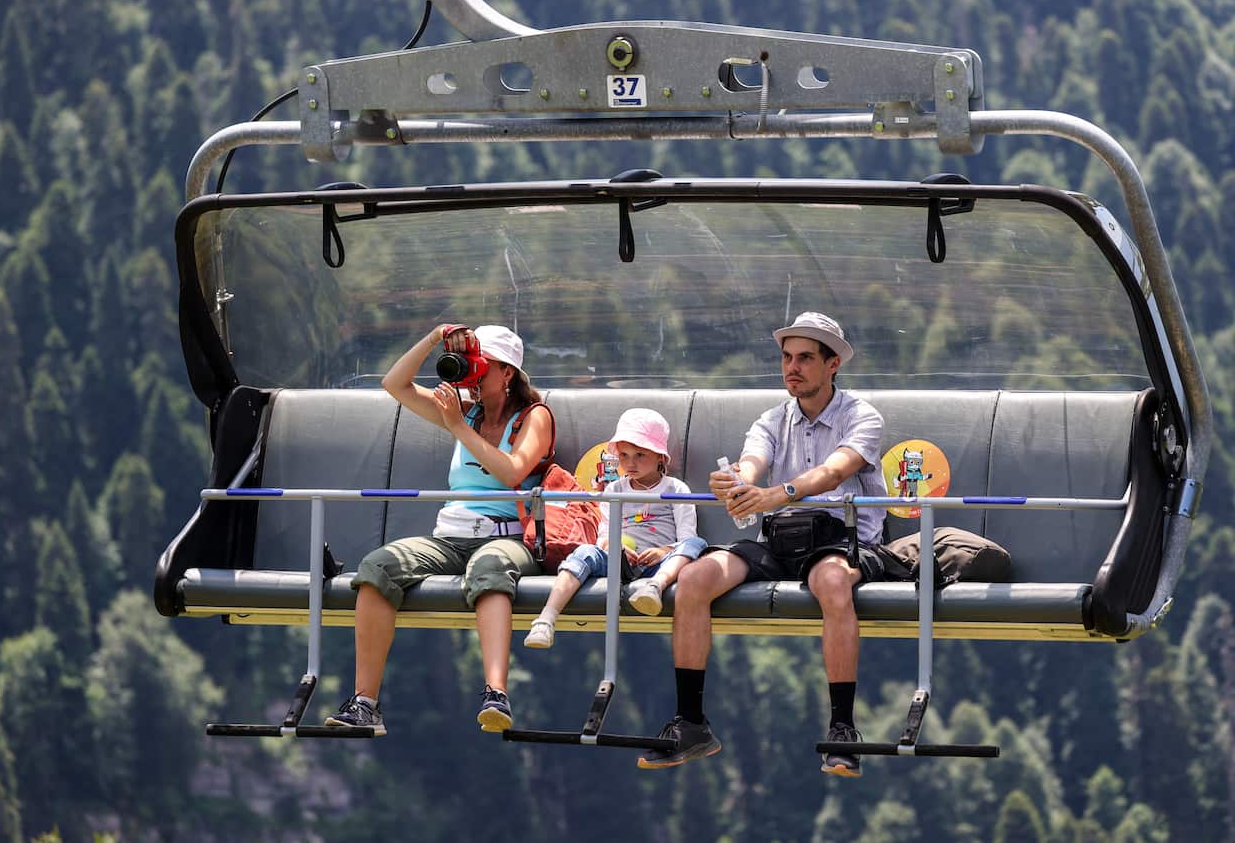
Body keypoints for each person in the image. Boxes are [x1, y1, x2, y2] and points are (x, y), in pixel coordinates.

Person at [637, 311, 890, 777]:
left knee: (832, 583)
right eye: (787, 357)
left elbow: (834, 471)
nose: (792, 367)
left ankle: (842, 728)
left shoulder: (862, 416)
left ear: (833, 365)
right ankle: (691, 721)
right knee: (693, 580)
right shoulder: (772, 419)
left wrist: (776, 493)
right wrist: (735, 482)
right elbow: (754, 463)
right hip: (781, 537)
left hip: (840, 536)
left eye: (806, 358)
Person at [326, 323, 552, 735]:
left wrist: (458, 427)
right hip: (451, 535)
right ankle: (365, 703)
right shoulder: (463, 411)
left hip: (507, 536)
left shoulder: (533, 417)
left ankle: (496, 693)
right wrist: (435, 339)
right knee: (377, 568)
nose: (473, 375)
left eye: (482, 366)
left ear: (508, 374)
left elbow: (513, 472)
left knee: (489, 570)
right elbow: (395, 384)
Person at [523, 409, 706, 649]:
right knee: (584, 552)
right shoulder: (615, 490)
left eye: (640, 455)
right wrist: (614, 545)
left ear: (661, 456)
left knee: (696, 545)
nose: (630, 463)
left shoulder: (676, 489)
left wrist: (663, 551)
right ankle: (546, 618)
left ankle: (655, 586)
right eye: (624, 455)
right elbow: (604, 535)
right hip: (619, 560)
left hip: (660, 563)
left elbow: (686, 536)